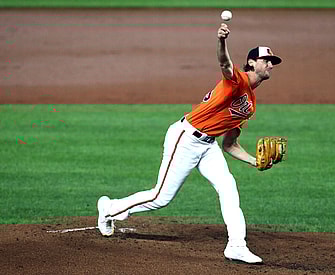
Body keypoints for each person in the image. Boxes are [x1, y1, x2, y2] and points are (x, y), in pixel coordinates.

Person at [97, 23, 282, 264]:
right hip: (186, 138)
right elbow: (225, 63)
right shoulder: (237, 80)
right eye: (266, 59)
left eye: (272, 61)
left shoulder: (251, 104)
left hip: (209, 146)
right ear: (251, 63)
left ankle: (237, 245)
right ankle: (110, 208)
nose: (270, 64)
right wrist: (222, 41)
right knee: (160, 197)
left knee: (227, 186)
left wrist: (254, 161)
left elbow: (230, 144)